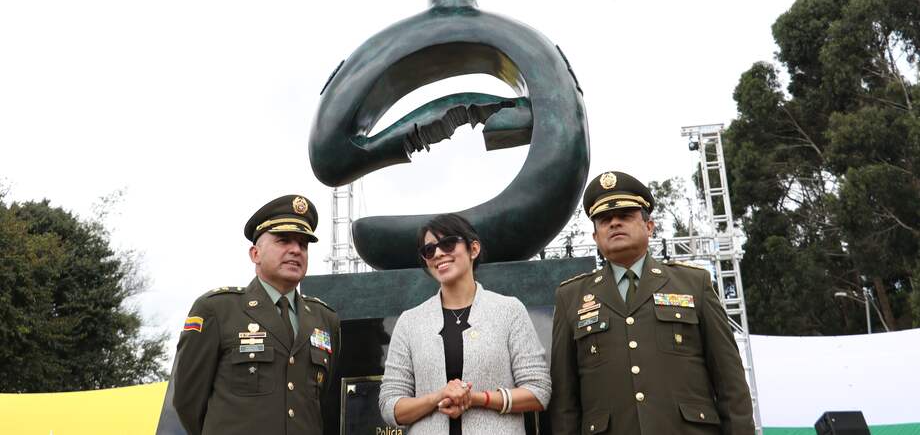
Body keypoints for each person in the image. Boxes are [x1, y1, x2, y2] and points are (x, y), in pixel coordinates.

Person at [549, 171, 756, 434]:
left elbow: (731, 382)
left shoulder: (694, 284)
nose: (614, 223)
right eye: (604, 220)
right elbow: (564, 401)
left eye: (625, 216)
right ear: (595, 237)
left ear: (649, 226)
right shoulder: (571, 297)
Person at [172, 194, 340, 435]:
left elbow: (323, 404)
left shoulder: (324, 319)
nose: (296, 250)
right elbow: (188, 401)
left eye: (303, 245)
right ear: (255, 254)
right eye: (283, 241)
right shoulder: (217, 310)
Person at [379, 213, 551, 434]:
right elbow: (390, 405)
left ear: (474, 249)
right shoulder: (410, 322)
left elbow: (538, 391)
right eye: (429, 250)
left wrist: (477, 398)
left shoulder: (509, 311)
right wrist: (438, 397)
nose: (438, 253)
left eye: (448, 243)